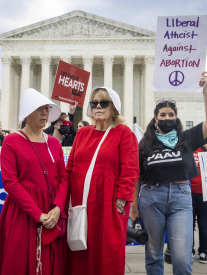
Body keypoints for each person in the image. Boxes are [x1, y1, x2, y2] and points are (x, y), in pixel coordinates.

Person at [130, 72, 207, 275]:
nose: (167, 118)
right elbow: (137, 176)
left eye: (171, 114)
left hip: (181, 197)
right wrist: (134, 206)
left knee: (181, 257)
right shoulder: (145, 144)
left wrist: (205, 90)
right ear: (156, 118)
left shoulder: (187, 138)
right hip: (151, 197)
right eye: (163, 115)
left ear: (176, 117)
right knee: (153, 254)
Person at [66, 86, 140, 275]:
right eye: (94, 103)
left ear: (114, 108)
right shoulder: (82, 133)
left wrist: (121, 201)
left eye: (103, 103)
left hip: (108, 203)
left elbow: (130, 171)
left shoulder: (124, 133)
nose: (97, 106)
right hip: (80, 202)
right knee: (79, 250)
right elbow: (70, 167)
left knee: (107, 253)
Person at [0, 88, 68, 275]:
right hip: (23, 213)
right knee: (20, 262)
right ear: (27, 112)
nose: (46, 114)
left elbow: (63, 178)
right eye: (40, 109)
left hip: (52, 211)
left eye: (47, 109)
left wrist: (58, 207)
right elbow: (10, 183)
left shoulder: (53, 142)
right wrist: (38, 214)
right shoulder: (11, 141)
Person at [191, 144, 207, 264]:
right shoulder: (187, 149)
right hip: (189, 193)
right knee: (189, 224)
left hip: (206, 193)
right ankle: (190, 250)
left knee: (204, 225)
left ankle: (203, 251)